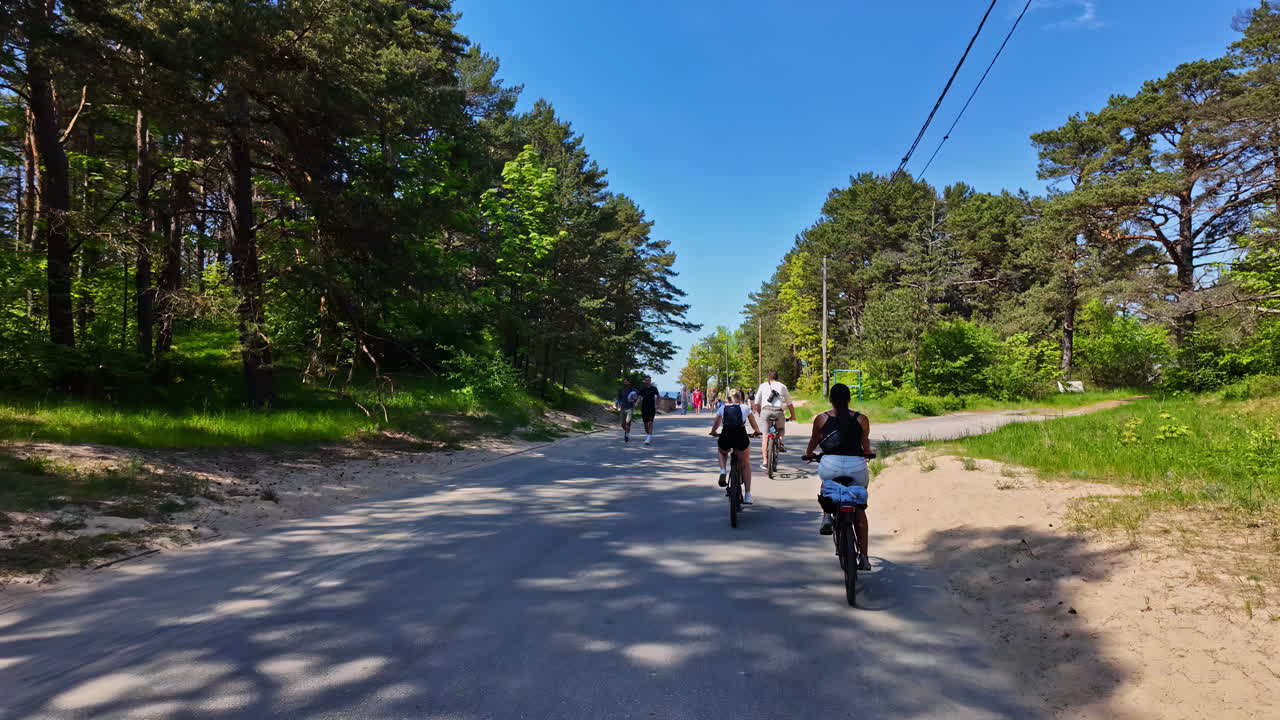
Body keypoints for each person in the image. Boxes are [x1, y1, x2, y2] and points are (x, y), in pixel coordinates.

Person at [804, 383, 873, 570]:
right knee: (859, 508)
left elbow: (814, 440)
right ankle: (864, 557)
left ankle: (827, 515)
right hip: (856, 466)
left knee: (826, 484)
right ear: (849, 398)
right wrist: (867, 453)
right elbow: (865, 446)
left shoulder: (821, 418)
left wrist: (809, 454)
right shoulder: (861, 419)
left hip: (830, 464)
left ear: (831, 399)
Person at [709, 388, 762, 504]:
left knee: (722, 452)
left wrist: (713, 432)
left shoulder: (722, 408)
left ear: (728, 399)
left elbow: (716, 423)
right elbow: (754, 424)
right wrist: (757, 431)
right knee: (745, 464)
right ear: (741, 399)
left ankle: (723, 470)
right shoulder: (745, 408)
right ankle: (748, 495)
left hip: (726, 436)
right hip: (740, 437)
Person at [754, 371, 796, 471]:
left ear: (768, 377)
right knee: (781, 428)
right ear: (777, 378)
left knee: (765, 435)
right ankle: (780, 442)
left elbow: (756, 404)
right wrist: (793, 416)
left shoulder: (763, 386)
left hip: (765, 411)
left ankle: (765, 462)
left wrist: (760, 413)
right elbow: (789, 403)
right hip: (778, 412)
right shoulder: (782, 386)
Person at [636, 376, 660, 445]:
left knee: (650, 422)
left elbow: (658, 397)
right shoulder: (643, 389)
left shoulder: (654, 388)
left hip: (652, 408)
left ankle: (648, 438)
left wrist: (657, 405)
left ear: (650, 381)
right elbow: (638, 396)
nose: (647, 382)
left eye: (648, 380)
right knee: (646, 424)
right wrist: (636, 403)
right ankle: (648, 435)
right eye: (646, 380)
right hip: (644, 408)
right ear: (645, 381)